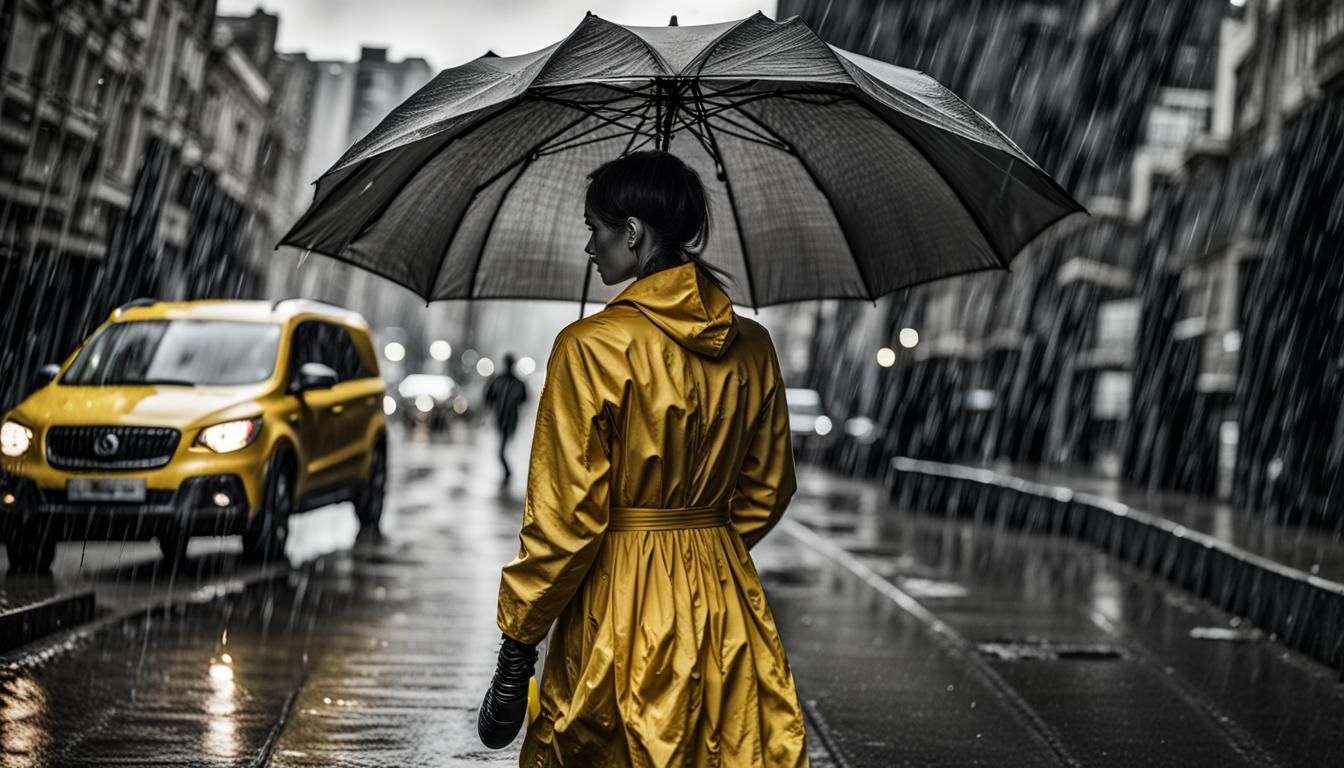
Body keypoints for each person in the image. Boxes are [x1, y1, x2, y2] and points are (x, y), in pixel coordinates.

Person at [478, 151, 808, 766]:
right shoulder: (754, 346)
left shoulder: (590, 348)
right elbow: (770, 486)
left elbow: (565, 522)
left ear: (631, 232)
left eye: (593, 229)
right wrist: (703, 546)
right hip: (722, 596)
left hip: (619, 601)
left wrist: (518, 642)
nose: (589, 246)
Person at [484, 352, 528, 481]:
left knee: (501, 450)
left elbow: (488, 398)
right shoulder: (518, 383)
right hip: (509, 419)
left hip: (504, 419)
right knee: (503, 448)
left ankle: (508, 472)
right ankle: (507, 471)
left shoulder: (498, 380)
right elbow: (524, 400)